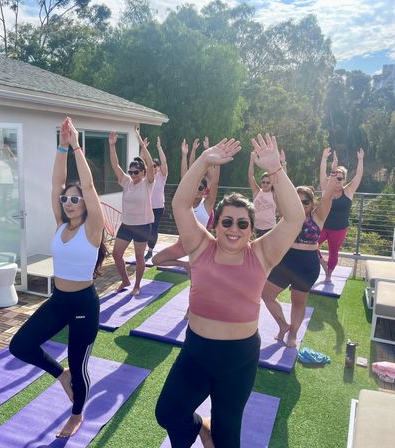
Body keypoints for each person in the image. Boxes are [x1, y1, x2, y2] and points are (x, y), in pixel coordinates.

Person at [155, 134, 304, 447]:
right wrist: (203, 160)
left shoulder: (262, 254)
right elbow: (181, 203)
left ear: (251, 228)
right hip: (196, 352)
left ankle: (213, 434)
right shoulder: (200, 247)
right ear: (216, 224)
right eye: (227, 222)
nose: (233, 229)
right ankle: (199, 428)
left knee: (227, 436)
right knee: (169, 413)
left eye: (241, 224)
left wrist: (276, 170)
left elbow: (294, 217)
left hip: (238, 358)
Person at [8, 117, 106, 439]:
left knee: (79, 366)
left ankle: (77, 414)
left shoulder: (92, 229)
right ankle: (58, 374)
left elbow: (89, 187)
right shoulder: (61, 224)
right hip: (59, 300)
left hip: (83, 304)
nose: (68, 202)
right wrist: (61, 145)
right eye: (66, 199)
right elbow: (56, 184)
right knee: (20, 345)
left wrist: (77, 145)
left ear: (86, 205)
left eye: (75, 199)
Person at [261, 176, 337, 348]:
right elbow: (279, 190)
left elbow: (327, 197)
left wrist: (332, 175)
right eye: (297, 200)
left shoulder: (318, 217)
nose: (301, 205)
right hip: (285, 262)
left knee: (298, 301)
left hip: (307, 266)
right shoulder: (287, 215)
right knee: (266, 294)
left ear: (311, 203)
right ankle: (283, 325)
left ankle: (293, 334)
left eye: (305, 202)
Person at [152, 138, 219, 273]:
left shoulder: (206, 205)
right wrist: (184, 155)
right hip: (182, 244)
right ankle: (185, 265)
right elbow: (185, 178)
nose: (196, 189)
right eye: (195, 186)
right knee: (156, 260)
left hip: (200, 247)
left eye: (200, 188)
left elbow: (214, 181)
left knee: (198, 278)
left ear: (204, 191)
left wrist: (211, 155)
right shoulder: (185, 204)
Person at [109, 127, 155, 296]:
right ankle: (125, 280)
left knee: (139, 257)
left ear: (143, 173)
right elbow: (115, 165)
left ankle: (137, 285)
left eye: (136, 172)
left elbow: (150, 164)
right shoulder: (127, 182)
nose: (133, 174)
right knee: (116, 254)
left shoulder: (148, 183)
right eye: (131, 172)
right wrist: (112, 145)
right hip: (127, 225)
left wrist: (142, 145)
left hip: (142, 226)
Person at [317, 147, 364, 282]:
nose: (337, 181)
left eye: (340, 178)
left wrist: (360, 160)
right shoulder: (326, 188)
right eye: (335, 177)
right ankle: (323, 265)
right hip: (323, 227)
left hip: (339, 229)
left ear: (344, 179)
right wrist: (324, 158)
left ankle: (329, 274)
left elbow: (358, 176)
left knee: (334, 253)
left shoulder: (348, 191)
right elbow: (321, 173)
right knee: (312, 245)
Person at [248, 149, 286, 237]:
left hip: (270, 228)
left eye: (268, 182)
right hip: (256, 228)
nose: (265, 184)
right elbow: (250, 176)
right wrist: (252, 159)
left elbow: (283, 179)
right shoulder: (257, 191)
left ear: (271, 183)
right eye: (263, 182)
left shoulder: (274, 193)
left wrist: (282, 162)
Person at [145, 137, 168, 260]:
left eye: (155, 166)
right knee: (145, 228)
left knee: (154, 228)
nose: (154, 167)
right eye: (152, 165)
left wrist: (159, 148)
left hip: (158, 207)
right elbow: (141, 162)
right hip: (147, 207)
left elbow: (164, 162)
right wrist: (144, 148)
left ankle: (150, 250)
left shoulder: (161, 176)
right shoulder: (147, 177)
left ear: (158, 167)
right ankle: (144, 247)